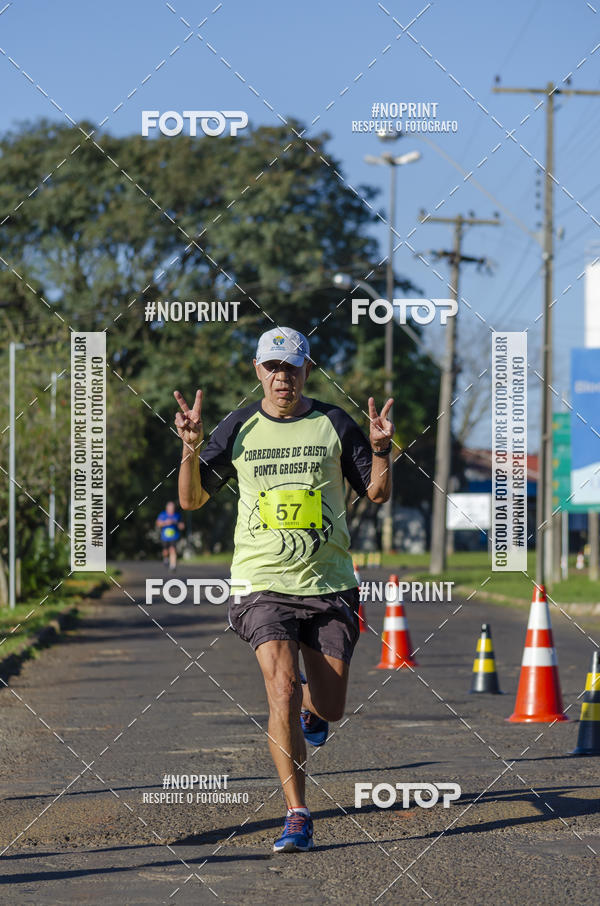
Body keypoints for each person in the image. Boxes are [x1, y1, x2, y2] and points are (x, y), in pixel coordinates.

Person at [173, 327, 393, 853]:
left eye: (291, 367)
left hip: (329, 584)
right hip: (260, 583)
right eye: (272, 367)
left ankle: (314, 715)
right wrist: (190, 448)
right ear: (257, 371)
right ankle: (297, 812)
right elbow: (191, 500)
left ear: (306, 370)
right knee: (281, 688)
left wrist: (383, 450)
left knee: (331, 705)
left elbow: (378, 492)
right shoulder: (239, 427)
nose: (281, 377)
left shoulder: (334, 423)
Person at [156, 501, 184, 571]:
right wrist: (166, 522)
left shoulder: (177, 515)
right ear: (167, 508)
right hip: (164, 537)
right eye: (170, 508)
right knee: (165, 551)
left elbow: (182, 526)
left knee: (173, 550)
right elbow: (158, 524)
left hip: (174, 536)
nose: (171, 509)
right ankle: (165, 559)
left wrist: (176, 523)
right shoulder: (162, 515)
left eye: (172, 508)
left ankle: (173, 566)